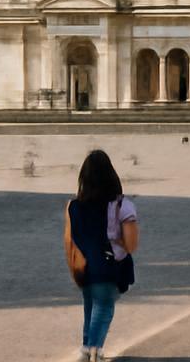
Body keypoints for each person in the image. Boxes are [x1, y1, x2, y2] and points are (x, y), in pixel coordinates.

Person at [64, 149, 139, 361]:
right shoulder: (123, 206)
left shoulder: (73, 207)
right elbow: (132, 245)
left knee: (90, 307)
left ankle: (87, 348)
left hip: (83, 266)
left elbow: (69, 240)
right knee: (104, 307)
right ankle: (92, 351)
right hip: (108, 266)